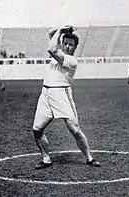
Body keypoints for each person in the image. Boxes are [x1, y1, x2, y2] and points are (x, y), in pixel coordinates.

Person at [32, 25, 100, 170]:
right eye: (66, 44)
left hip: (62, 95)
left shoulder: (71, 60)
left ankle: (89, 158)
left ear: (75, 48)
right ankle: (46, 159)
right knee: (37, 129)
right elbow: (51, 34)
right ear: (62, 44)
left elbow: (51, 49)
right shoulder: (58, 50)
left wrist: (62, 32)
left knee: (74, 129)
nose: (68, 47)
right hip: (45, 95)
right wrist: (62, 28)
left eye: (71, 45)